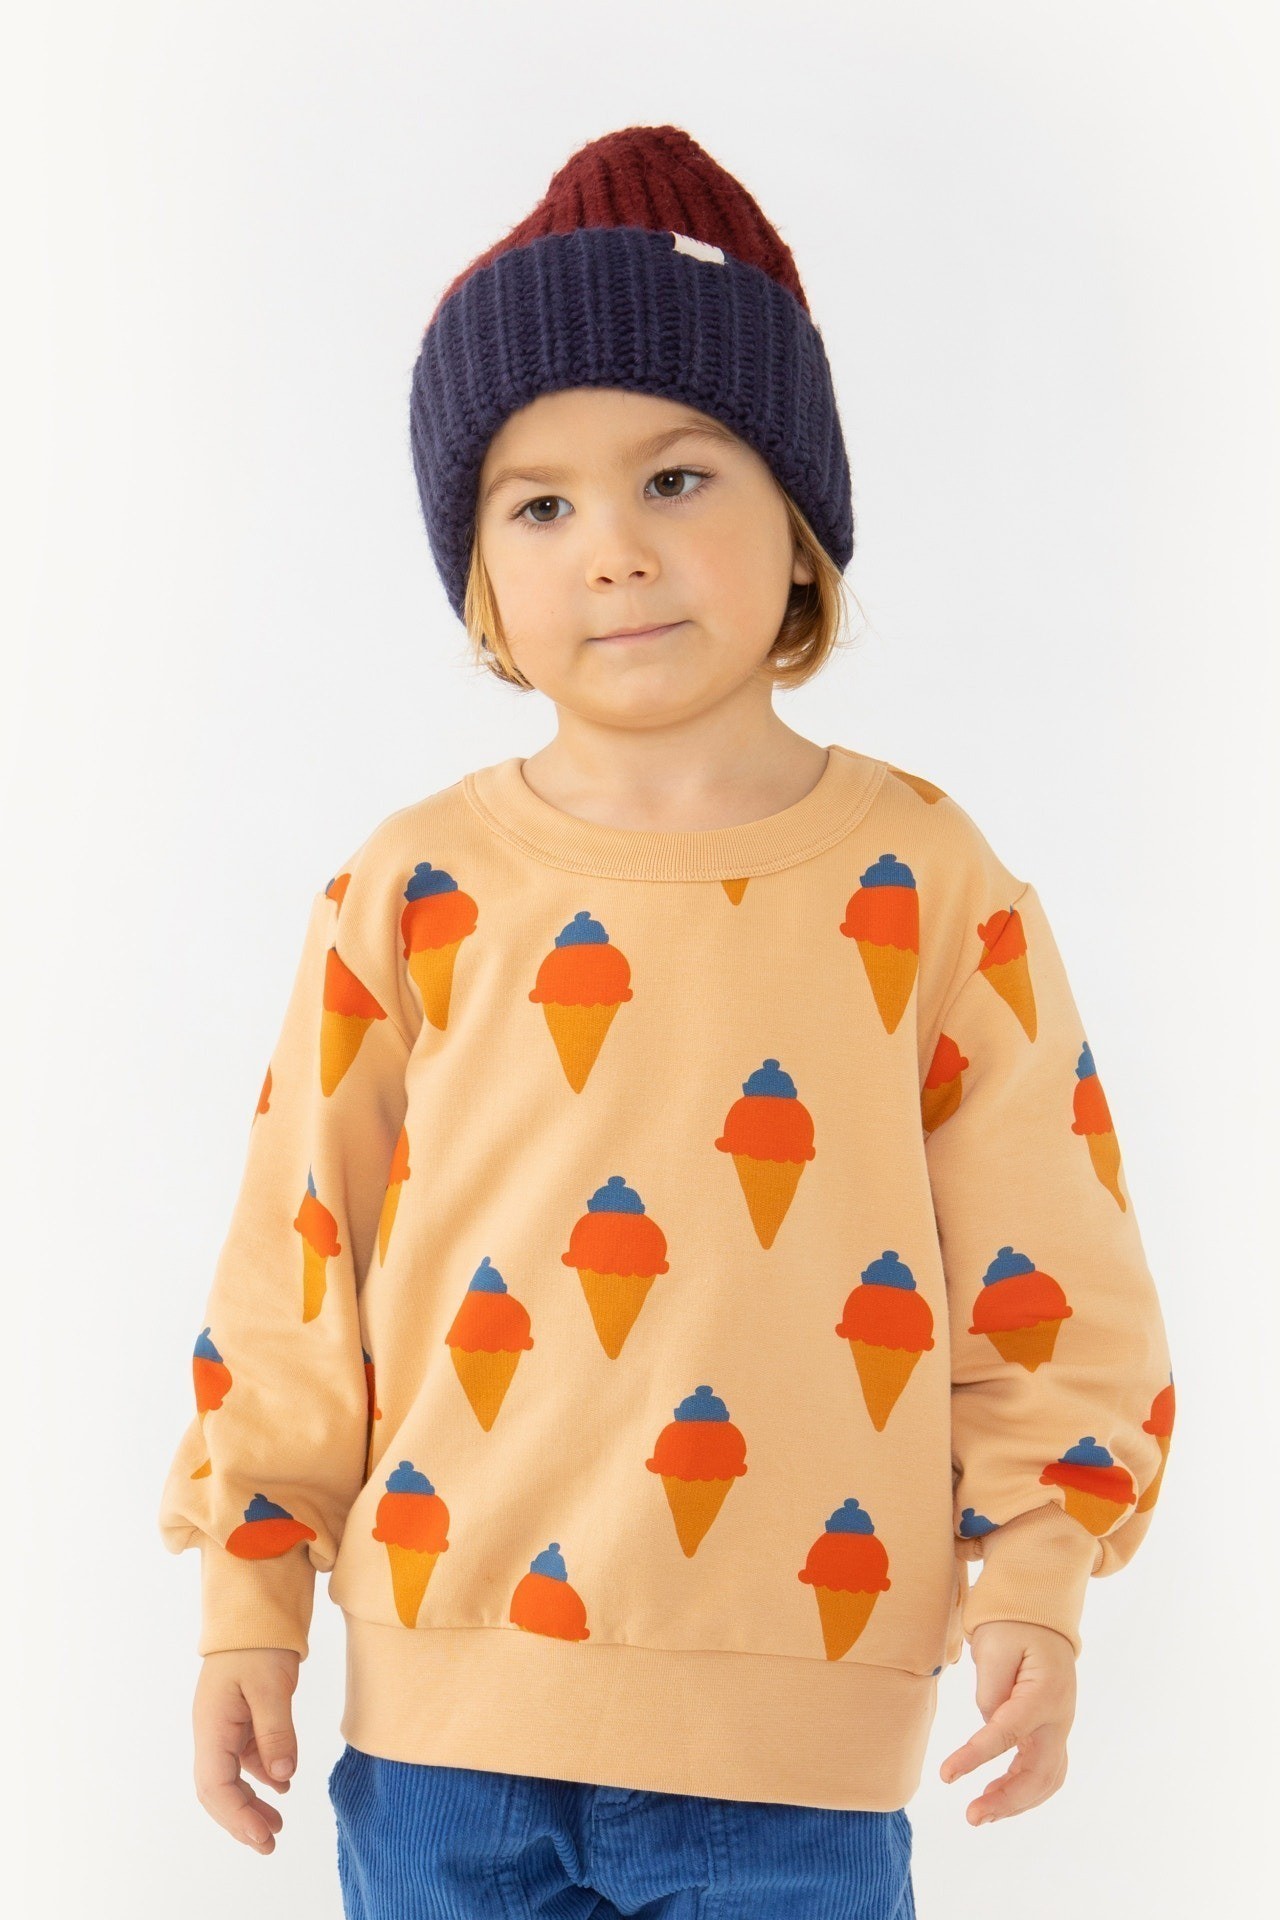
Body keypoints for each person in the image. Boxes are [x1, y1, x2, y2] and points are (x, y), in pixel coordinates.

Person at [158, 124, 1176, 1920]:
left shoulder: (929, 881)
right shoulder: (411, 887)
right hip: (444, 1735)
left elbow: (1049, 1252)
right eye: (539, 505)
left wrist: (1037, 1563)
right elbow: (298, 1260)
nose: (613, 550)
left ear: (801, 523)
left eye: (678, 477)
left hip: (795, 1756)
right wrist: (252, 1594)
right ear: (480, 572)